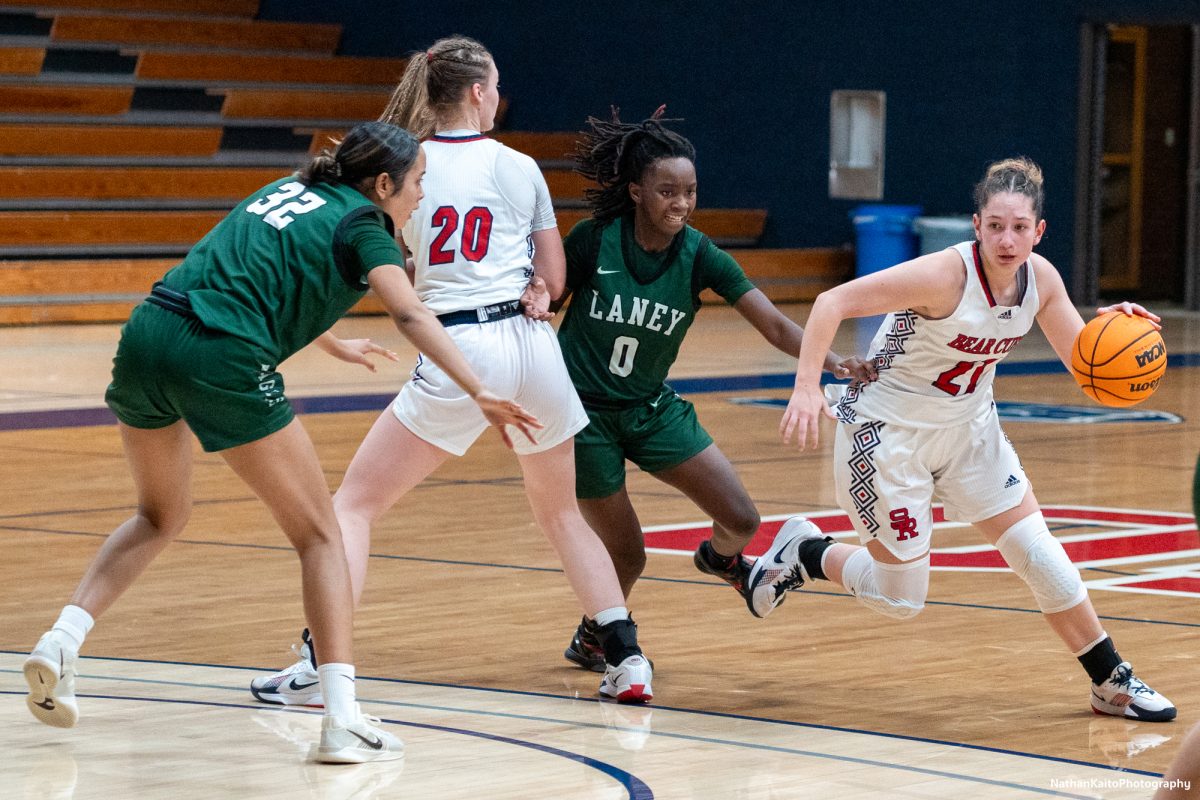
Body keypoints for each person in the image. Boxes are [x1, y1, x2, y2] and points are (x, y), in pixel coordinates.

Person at [22, 121, 542, 764]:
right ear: (382, 184)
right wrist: (478, 390)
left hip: (148, 336)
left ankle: (61, 641)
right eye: (417, 186)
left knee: (159, 516)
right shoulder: (365, 225)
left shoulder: (285, 190)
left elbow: (252, 267)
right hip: (221, 357)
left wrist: (332, 341)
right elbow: (410, 311)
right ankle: (341, 717)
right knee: (322, 534)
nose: (421, 199)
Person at [249, 36, 653, 707]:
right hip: (532, 346)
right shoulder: (521, 167)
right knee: (560, 512)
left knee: (352, 506)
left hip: (461, 344)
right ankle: (628, 660)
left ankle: (322, 670)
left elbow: (396, 271)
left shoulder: (402, 166)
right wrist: (535, 294)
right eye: (495, 85)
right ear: (475, 92)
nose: (500, 96)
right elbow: (552, 280)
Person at [748, 156, 1176, 722]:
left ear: (1038, 231)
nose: (1007, 238)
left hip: (971, 431)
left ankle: (1109, 680)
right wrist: (806, 388)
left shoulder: (1041, 281)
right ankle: (805, 551)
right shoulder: (944, 275)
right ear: (976, 225)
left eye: (1019, 227)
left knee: (1040, 552)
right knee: (901, 598)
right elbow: (832, 303)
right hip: (888, 436)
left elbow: (1089, 369)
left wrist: (1114, 333)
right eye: (995, 225)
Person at [550, 108, 875, 672]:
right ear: (636, 192)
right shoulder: (592, 240)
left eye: (690, 191)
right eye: (666, 191)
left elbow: (774, 324)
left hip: (651, 408)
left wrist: (832, 359)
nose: (680, 203)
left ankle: (720, 562)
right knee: (628, 552)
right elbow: (542, 307)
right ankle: (592, 635)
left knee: (743, 520)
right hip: (584, 417)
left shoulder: (701, 254)